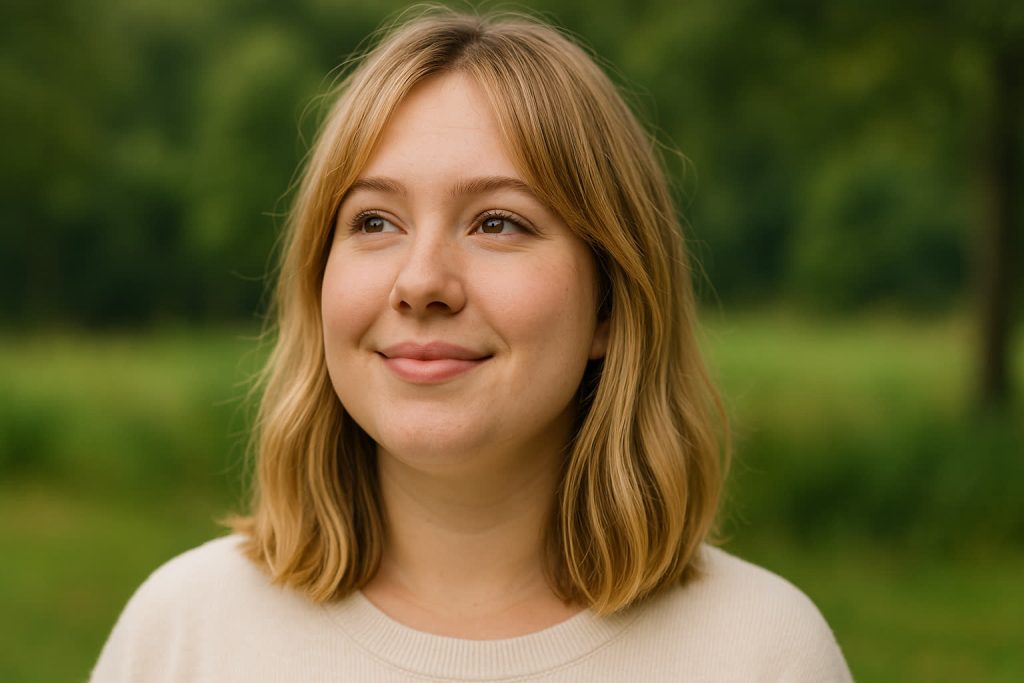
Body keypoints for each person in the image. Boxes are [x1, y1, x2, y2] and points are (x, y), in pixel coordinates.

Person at [92, 9, 852, 682]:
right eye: (374, 221)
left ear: (611, 306)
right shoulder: (183, 634)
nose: (421, 282)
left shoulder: (761, 653)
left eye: (497, 222)